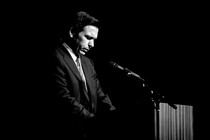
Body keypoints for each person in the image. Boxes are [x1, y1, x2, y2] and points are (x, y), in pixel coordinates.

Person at [46, 11, 116, 139]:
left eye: (94, 40)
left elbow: (99, 94)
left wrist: (115, 117)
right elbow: (62, 97)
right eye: (88, 38)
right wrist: (92, 121)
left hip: (89, 133)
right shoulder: (54, 57)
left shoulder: (88, 62)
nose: (92, 45)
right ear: (72, 32)